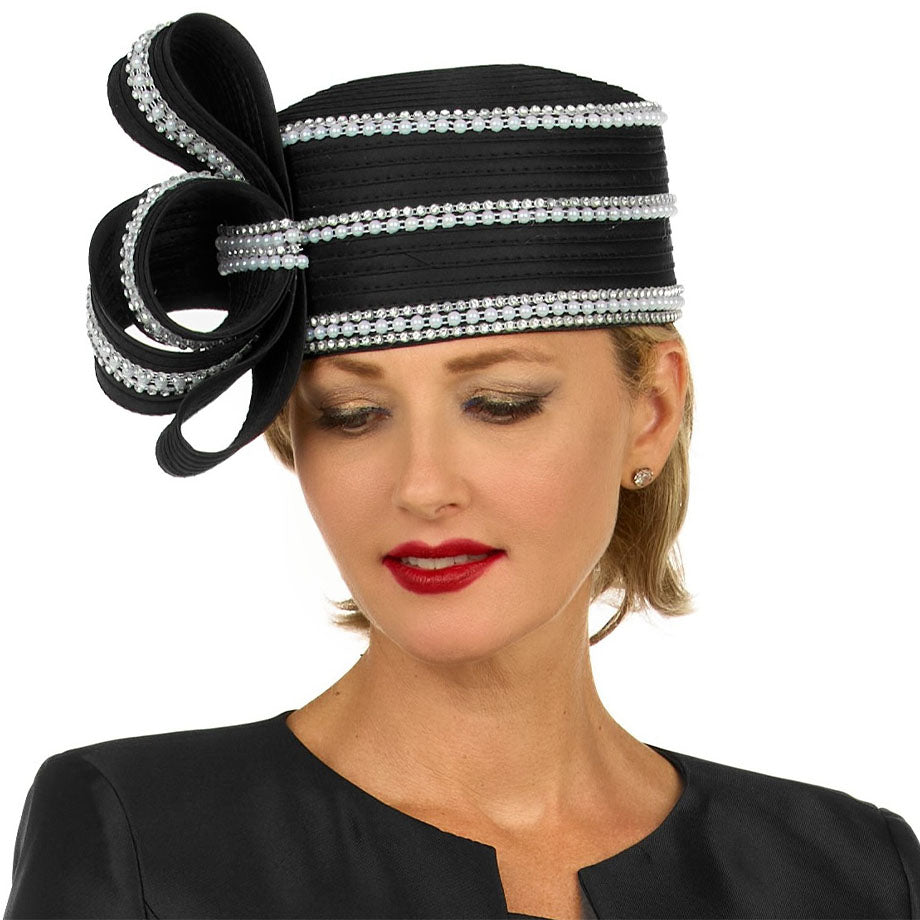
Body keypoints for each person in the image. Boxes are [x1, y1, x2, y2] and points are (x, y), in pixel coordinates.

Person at [4, 12, 918, 920]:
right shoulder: (145, 843)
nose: (423, 485)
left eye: (502, 404)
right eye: (352, 415)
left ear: (651, 413)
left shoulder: (854, 876)